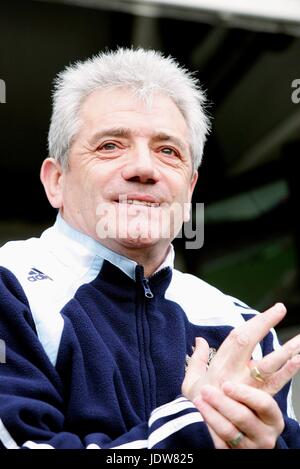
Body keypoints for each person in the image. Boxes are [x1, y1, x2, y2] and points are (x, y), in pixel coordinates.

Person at [0, 47, 299, 450]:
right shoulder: (10, 286)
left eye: (168, 151)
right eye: (110, 145)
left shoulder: (243, 329)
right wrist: (196, 431)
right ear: (56, 181)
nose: (144, 169)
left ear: (189, 189)